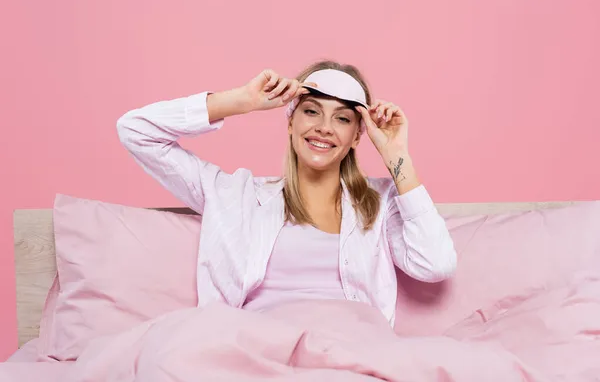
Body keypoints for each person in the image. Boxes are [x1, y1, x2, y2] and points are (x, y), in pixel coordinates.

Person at [116, 60, 457, 326]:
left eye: (342, 119)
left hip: (348, 351)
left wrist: (398, 158)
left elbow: (435, 264)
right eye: (311, 111)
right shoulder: (236, 194)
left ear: (357, 136)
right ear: (290, 121)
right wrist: (241, 101)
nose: (324, 127)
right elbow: (135, 131)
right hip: (251, 350)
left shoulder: (379, 204)